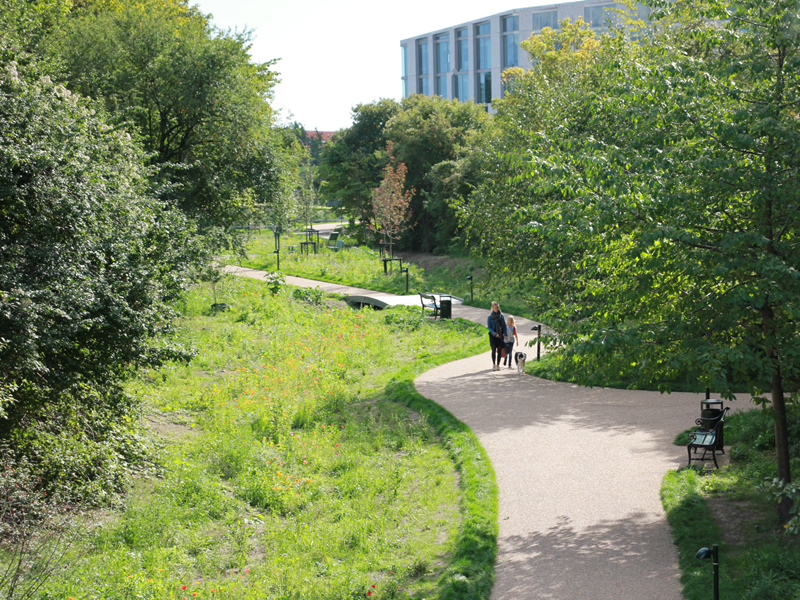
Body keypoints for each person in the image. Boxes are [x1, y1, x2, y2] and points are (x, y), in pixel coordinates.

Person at [487, 301, 507, 371]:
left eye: (497, 308)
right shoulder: (490, 317)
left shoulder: (502, 316)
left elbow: (504, 326)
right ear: (492, 308)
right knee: (493, 348)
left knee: (499, 349)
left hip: (500, 334)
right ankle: (494, 364)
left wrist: (506, 334)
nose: (496, 309)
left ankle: (498, 365)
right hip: (493, 335)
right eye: (495, 308)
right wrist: (494, 333)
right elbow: (489, 327)